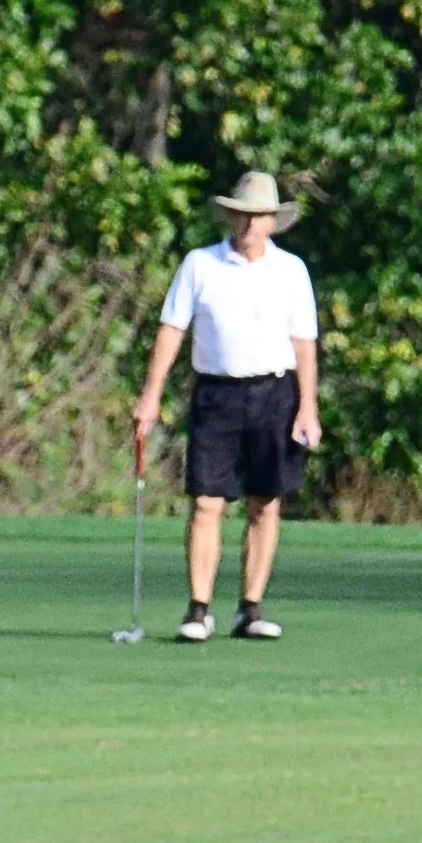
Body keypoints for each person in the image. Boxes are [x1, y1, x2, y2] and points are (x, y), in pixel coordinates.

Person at [130, 171, 322, 642]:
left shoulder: (290, 271)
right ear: (231, 215)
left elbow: (305, 344)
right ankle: (199, 608)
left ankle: (250, 608)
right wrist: (150, 395)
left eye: (259, 216)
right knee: (206, 502)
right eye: (243, 214)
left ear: (272, 221)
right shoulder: (200, 264)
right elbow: (172, 329)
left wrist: (308, 408)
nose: (250, 224)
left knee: (265, 503)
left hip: (276, 394)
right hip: (217, 394)